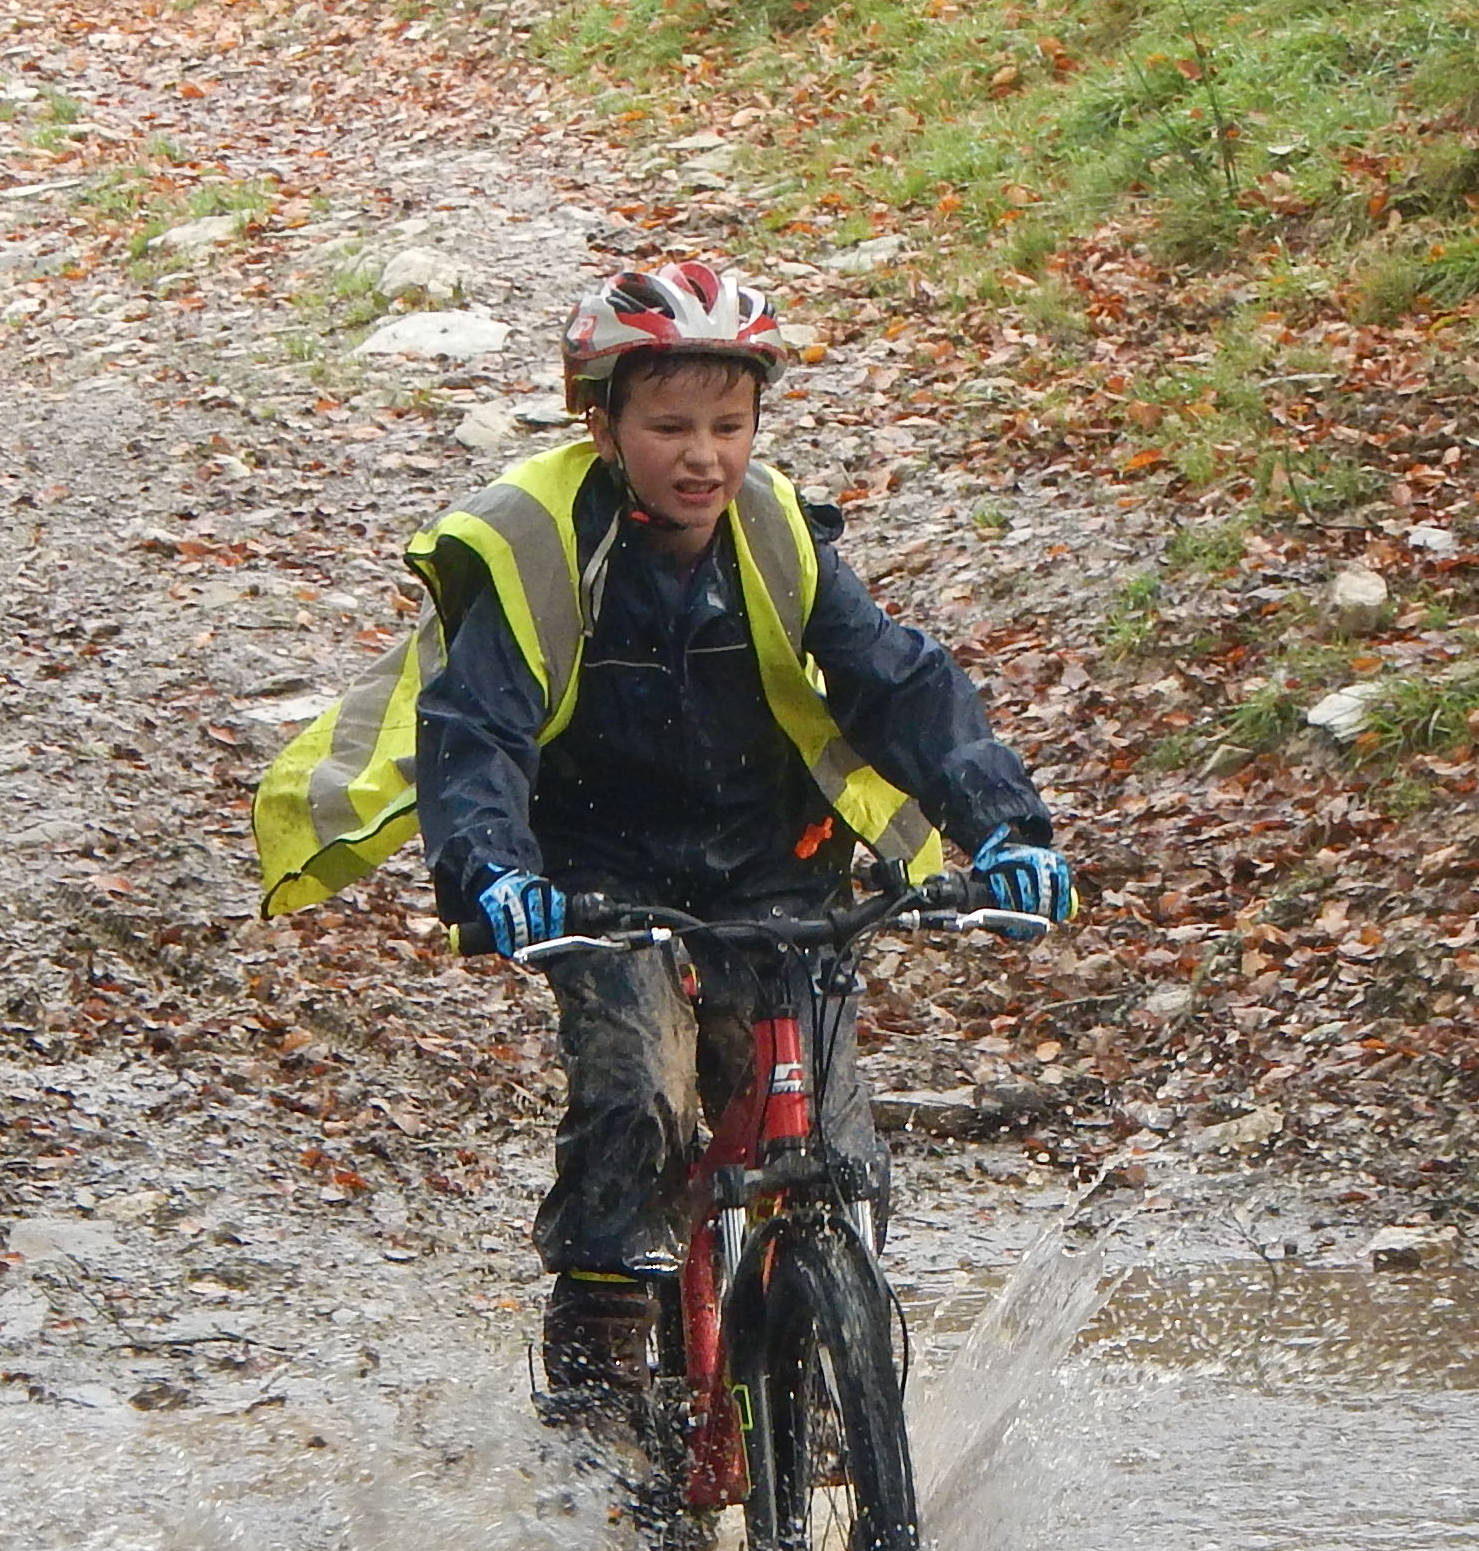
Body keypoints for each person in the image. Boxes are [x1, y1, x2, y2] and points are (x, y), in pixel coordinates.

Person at [252, 258, 1077, 1411]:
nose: (706, 457)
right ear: (603, 425)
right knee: (639, 1093)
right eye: (671, 425)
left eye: (731, 425)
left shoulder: (778, 534)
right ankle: (598, 1353)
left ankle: (824, 1367)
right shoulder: (540, 542)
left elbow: (903, 685)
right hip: (598, 867)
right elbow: (474, 727)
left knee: (827, 1132)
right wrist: (492, 870)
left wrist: (1007, 832)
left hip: (770, 859)